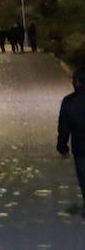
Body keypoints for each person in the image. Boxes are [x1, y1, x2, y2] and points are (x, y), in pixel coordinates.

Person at [56, 65, 85, 210]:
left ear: (77, 81)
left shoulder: (69, 101)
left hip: (81, 149)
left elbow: (64, 127)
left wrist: (62, 145)